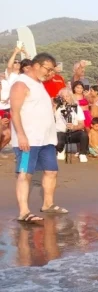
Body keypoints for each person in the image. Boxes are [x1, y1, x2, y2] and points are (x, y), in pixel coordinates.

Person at [10, 53, 67, 223]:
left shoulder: (40, 84)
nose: (50, 73)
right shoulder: (21, 83)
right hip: (29, 139)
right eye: (48, 69)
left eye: (52, 71)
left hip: (46, 139)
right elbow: (14, 111)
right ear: (36, 65)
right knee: (25, 173)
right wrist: (21, 135)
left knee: (51, 171)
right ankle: (24, 212)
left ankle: (48, 204)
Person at [53, 88, 88, 163]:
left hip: (73, 132)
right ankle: (60, 150)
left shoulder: (77, 108)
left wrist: (74, 127)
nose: (65, 98)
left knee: (83, 135)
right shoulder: (57, 107)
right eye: (63, 97)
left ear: (71, 97)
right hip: (60, 132)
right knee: (59, 137)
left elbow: (82, 124)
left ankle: (82, 153)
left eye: (67, 96)